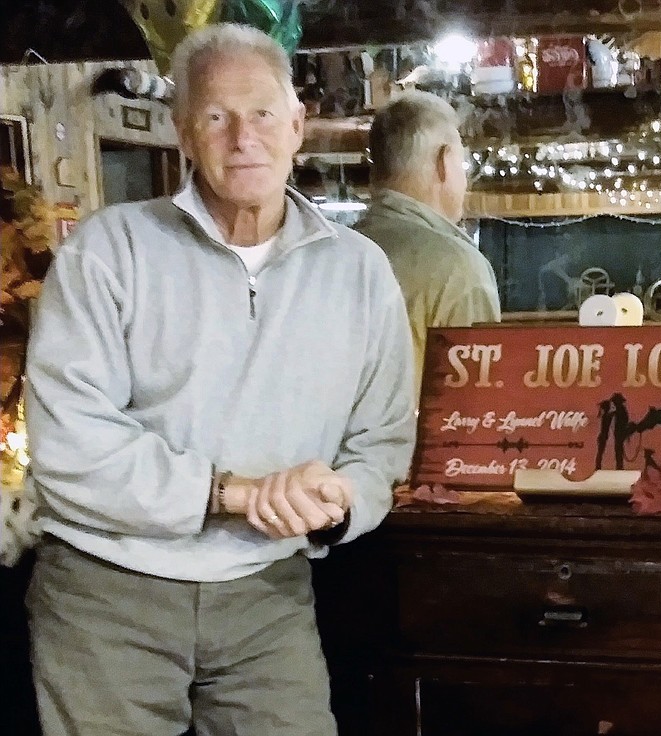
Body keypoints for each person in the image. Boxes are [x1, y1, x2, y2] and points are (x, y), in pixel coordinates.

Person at [23, 23, 415, 736]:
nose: (243, 136)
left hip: (267, 593)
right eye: (215, 115)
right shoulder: (110, 251)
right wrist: (230, 493)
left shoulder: (361, 272)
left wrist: (338, 498)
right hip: (107, 594)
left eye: (263, 112)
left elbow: (383, 439)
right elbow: (70, 443)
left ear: (297, 125)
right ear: (182, 133)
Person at [355, 89, 501, 398]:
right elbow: (475, 412)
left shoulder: (337, 254)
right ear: (444, 162)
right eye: (463, 165)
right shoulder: (458, 268)